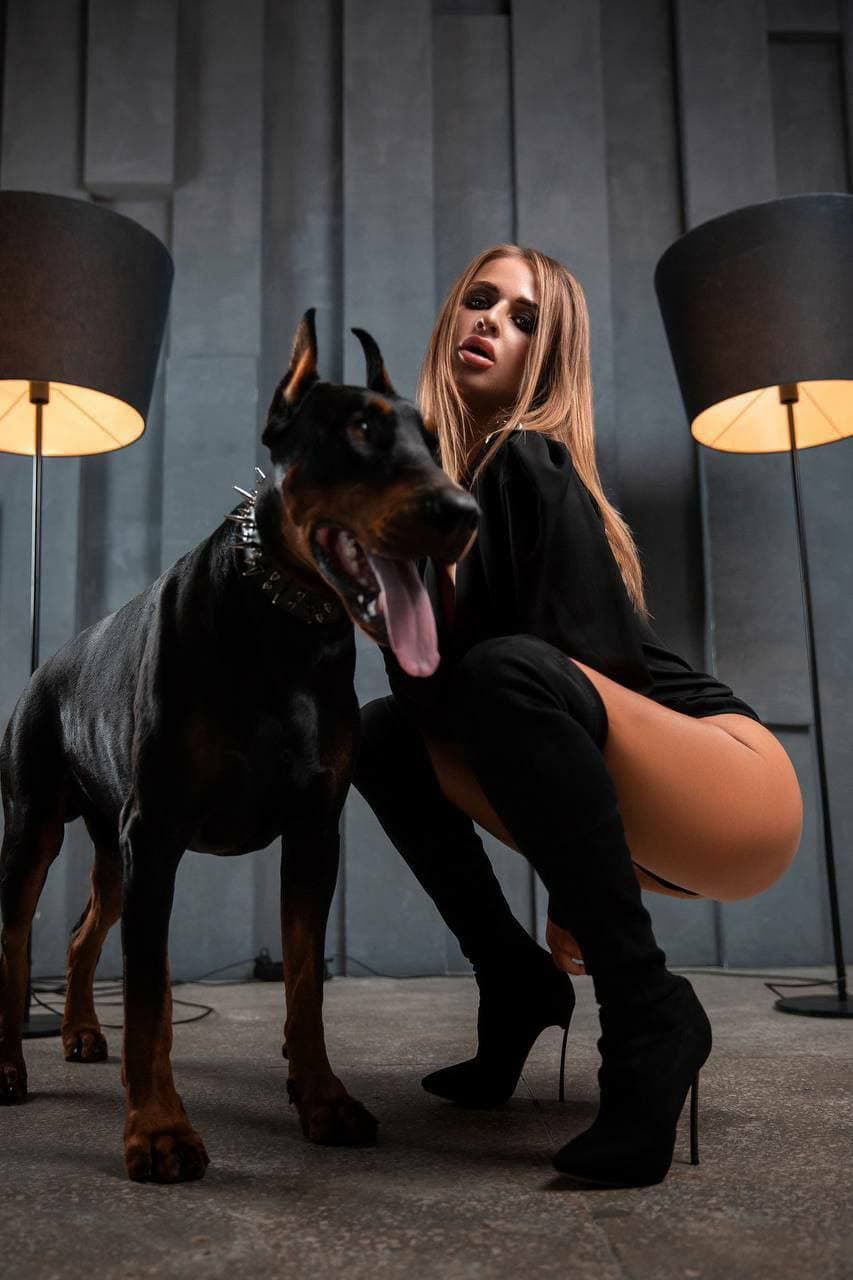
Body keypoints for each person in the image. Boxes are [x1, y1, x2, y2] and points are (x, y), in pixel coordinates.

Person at [351, 244, 804, 1188]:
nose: (490, 321)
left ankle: (648, 1018)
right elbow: (434, 707)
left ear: (545, 360)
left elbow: (590, 670)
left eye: (523, 319)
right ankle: (512, 981)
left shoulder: (527, 460)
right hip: (640, 780)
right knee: (382, 735)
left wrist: (572, 897)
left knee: (507, 673)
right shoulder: (442, 509)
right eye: (480, 300)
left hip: (731, 779)